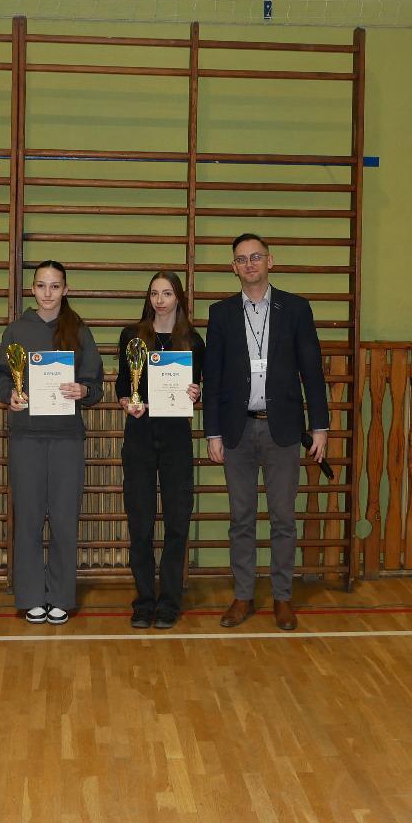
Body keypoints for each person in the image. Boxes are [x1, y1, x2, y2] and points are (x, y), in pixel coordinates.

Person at [203, 233, 329, 631]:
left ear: (270, 261)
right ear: (234, 268)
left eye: (256, 257)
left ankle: (282, 597)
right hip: (237, 430)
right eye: (242, 259)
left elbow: (312, 372)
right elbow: (212, 377)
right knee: (241, 518)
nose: (250, 264)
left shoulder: (296, 309)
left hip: (283, 430)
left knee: (283, 519)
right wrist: (212, 433)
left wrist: (320, 427)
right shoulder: (221, 313)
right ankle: (243, 596)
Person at [0, 260, 103, 625]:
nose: (48, 293)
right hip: (26, 436)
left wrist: (83, 390)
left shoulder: (78, 330)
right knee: (28, 518)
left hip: (67, 437)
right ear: (32, 289)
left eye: (55, 286)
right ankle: (30, 596)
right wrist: (10, 395)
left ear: (65, 290)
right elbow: (0, 376)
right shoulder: (17, 330)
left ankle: (61, 596)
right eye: (41, 285)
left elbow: (96, 385)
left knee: (64, 518)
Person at [115, 270, 204, 629]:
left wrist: (196, 392)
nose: (160, 300)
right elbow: (123, 385)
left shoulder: (192, 341)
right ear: (148, 298)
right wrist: (126, 402)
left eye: (167, 293)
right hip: (139, 434)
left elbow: (198, 387)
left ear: (178, 297)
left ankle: (169, 600)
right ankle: (144, 600)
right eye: (154, 293)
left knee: (177, 522)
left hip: (176, 438)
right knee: (140, 522)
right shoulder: (132, 336)